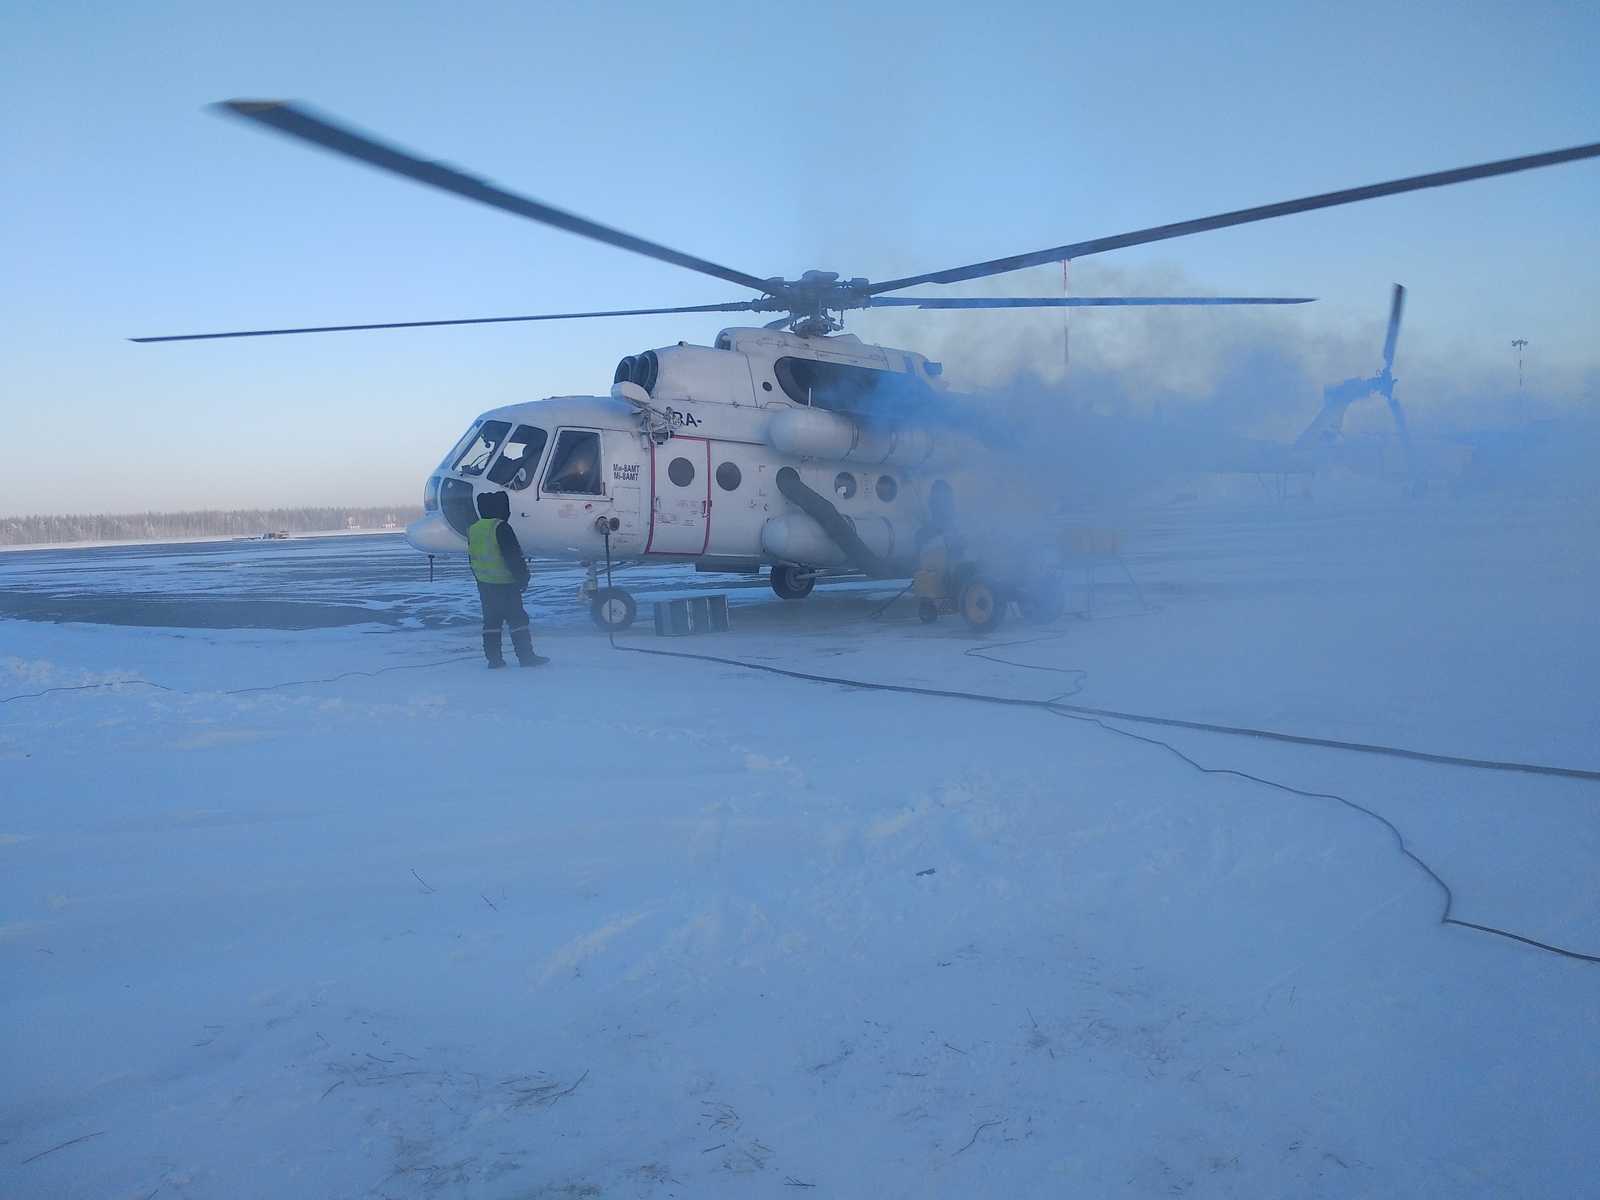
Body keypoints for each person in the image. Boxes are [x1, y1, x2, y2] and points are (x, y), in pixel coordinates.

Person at [467, 490, 547, 668]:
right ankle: (526, 657)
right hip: (506, 585)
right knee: (518, 621)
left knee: (491, 623)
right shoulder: (501, 527)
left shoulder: (474, 528)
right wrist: (523, 578)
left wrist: (480, 581)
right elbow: (513, 557)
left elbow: (472, 559)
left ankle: (494, 659)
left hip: (486, 586)